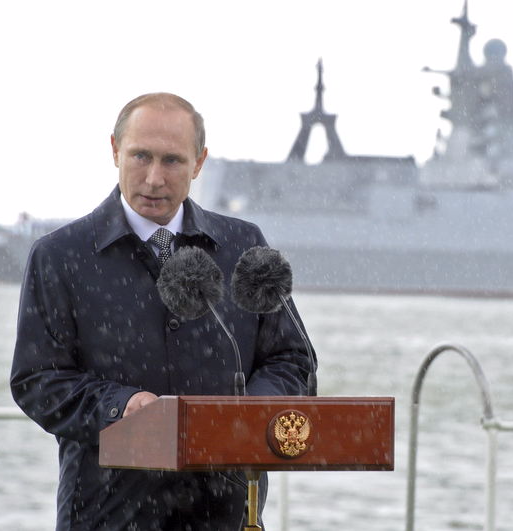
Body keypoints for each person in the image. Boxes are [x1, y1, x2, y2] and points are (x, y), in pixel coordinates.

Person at [10, 92, 315, 530]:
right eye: (140, 156)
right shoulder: (58, 256)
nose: (154, 178)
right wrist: (120, 406)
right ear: (115, 150)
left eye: (172, 161)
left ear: (200, 162)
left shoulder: (244, 245)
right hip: (106, 514)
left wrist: (251, 411)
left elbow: (293, 358)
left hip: (226, 514)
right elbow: (37, 380)